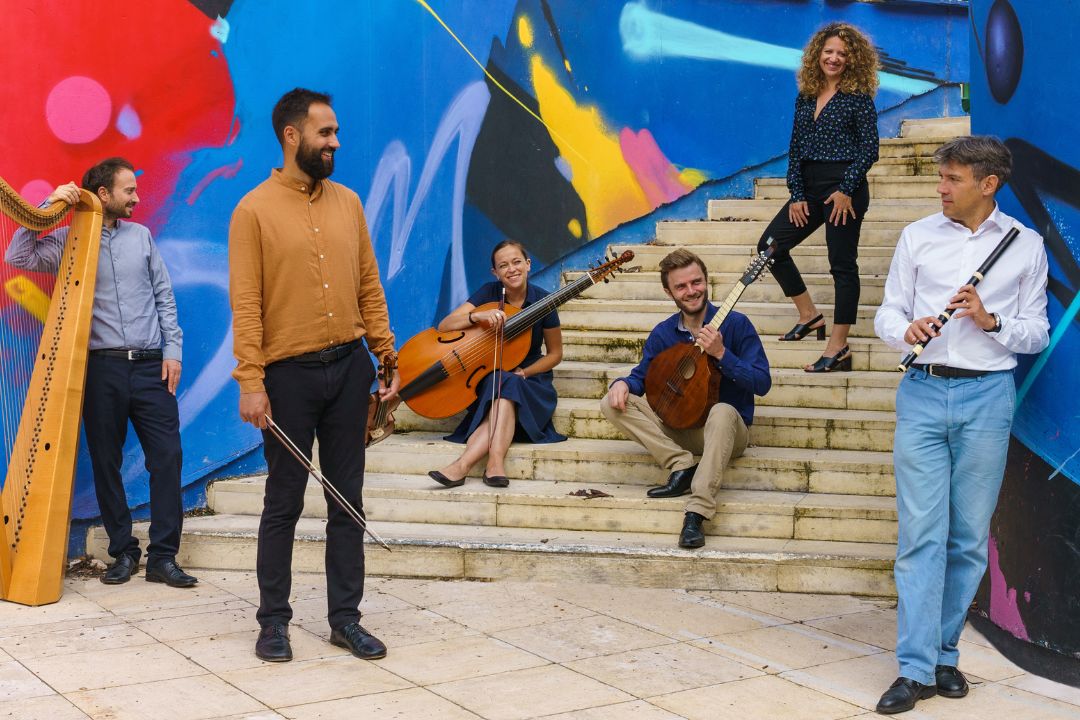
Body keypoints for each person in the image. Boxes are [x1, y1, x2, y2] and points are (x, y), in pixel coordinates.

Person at [873, 136, 1048, 714]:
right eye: (941, 178)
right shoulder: (917, 236)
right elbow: (886, 312)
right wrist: (908, 328)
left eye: (952, 179)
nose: (941, 188)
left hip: (988, 397)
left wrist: (990, 318)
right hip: (922, 392)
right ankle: (915, 668)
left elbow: (1036, 333)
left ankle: (945, 654)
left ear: (987, 184)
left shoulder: (1026, 245)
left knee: (969, 538)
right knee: (921, 535)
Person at [229, 88, 399, 663]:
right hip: (287, 379)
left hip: (350, 369)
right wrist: (250, 381)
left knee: (347, 501)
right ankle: (273, 621)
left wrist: (386, 359)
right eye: (326, 133)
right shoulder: (252, 210)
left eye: (336, 132)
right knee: (284, 502)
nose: (336, 142)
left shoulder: (348, 202)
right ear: (292, 136)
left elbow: (369, 286)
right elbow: (246, 304)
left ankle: (344, 619)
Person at [5, 158, 194, 588]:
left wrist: (174, 352)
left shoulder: (142, 237)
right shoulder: (69, 244)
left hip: (150, 367)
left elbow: (164, 297)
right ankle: (123, 552)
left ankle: (164, 557)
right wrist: (49, 202)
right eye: (129, 190)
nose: (137, 197)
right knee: (106, 463)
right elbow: (17, 253)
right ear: (104, 194)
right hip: (102, 369)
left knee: (168, 458)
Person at [600, 249, 771, 548]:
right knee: (611, 401)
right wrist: (622, 384)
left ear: (707, 281)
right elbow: (641, 377)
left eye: (697, 282)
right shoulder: (664, 334)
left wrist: (721, 354)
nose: (691, 291)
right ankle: (680, 464)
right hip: (680, 428)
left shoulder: (737, 324)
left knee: (722, 410)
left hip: (726, 432)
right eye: (681, 286)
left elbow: (762, 382)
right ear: (669, 292)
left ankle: (697, 511)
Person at [758, 23, 879, 372]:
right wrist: (796, 193)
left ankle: (838, 346)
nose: (834, 58)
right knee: (769, 246)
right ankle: (809, 315)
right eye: (829, 51)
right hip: (808, 187)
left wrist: (846, 190)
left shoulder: (858, 98)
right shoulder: (806, 95)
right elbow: (795, 150)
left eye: (842, 53)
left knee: (842, 265)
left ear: (852, 59)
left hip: (845, 189)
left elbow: (870, 150)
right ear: (817, 54)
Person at [428, 240, 565, 489]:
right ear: (495, 273)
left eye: (516, 262)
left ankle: (462, 466)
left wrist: (525, 372)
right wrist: (477, 316)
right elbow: (445, 326)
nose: (511, 269)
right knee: (503, 382)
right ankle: (494, 464)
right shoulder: (488, 293)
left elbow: (555, 354)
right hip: (494, 375)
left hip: (531, 381)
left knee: (508, 382)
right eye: (503, 266)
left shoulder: (544, 301)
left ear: (528, 264)